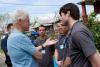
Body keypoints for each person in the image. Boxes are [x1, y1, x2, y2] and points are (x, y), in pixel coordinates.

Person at [59, 3, 100, 67]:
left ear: (68, 13)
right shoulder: (74, 30)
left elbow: (97, 62)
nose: (60, 18)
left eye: (61, 15)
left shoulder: (78, 32)